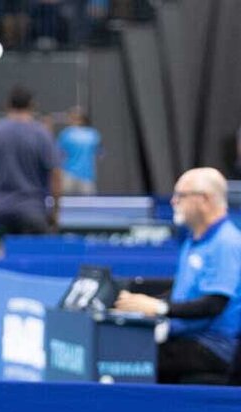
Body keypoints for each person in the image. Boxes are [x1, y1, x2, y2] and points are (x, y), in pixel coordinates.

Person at [115, 167, 241, 384]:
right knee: (122, 344)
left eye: (181, 195)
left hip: (213, 347)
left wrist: (159, 308)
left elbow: (214, 304)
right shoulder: (194, 240)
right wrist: (140, 305)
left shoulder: (227, 243)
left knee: (127, 357)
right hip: (184, 337)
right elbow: (182, 293)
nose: (173, 201)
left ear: (204, 199)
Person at [0, 85, 62, 234]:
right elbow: (55, 175)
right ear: (32, 105)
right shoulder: (43, 134)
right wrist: (55, 213)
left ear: (7, 105)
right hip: (33, 212)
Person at [57, 106, 101, 195]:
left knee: (68, 201)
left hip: (80, 176)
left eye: (72, 117)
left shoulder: (66, 134)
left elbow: (58, 154)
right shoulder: (93, 134)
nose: (70, 120)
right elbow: (99, 154)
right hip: (72, 175)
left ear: (81, 119)